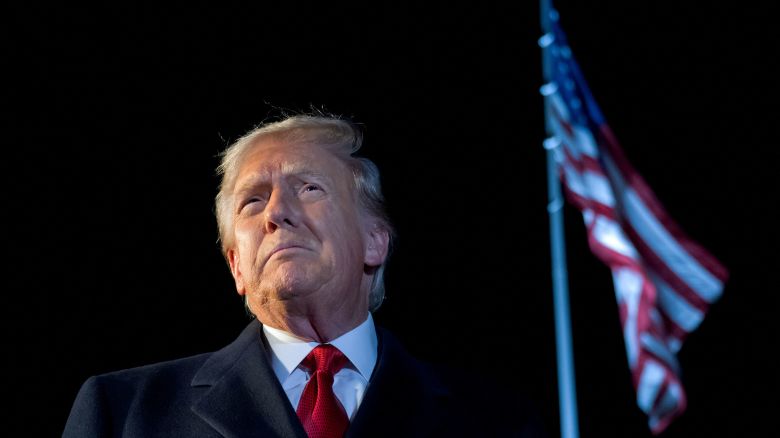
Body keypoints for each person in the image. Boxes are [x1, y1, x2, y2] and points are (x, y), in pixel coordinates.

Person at [63, 113, 546, 437]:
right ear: (237, 267)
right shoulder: (123, 412)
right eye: (253, 201)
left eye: (309, 187)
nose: (277, 213)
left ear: (376, 241)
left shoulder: (497, 419)